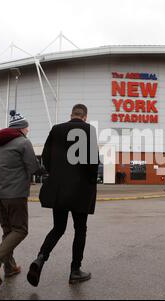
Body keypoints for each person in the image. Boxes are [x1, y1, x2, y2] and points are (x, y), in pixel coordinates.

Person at [27, 104, 99, 287]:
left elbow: (45, 156)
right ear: (85, 116)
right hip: (81, 190)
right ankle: (75, 270)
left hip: (59, 188)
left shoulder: (56, 129)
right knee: (80, 229)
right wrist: (90, 182)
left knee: (58, 228)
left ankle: (41, 258)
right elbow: (92, 162)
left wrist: (56, 174)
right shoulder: (88, 130)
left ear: (72, 114)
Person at [0, 111, 41, 286]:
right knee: (20, 230)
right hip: (15, 195)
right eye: (27, 127)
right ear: (21, 128)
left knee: (8, 232)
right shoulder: (23, 142)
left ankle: (10, 268)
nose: (28, 130)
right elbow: (33, 167)